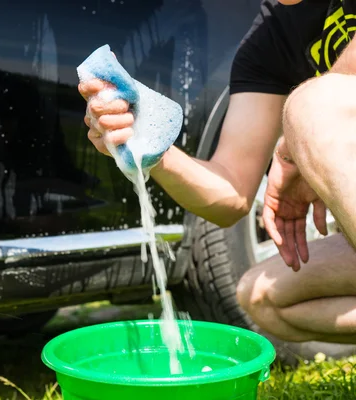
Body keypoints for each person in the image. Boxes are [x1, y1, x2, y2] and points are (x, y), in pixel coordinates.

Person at [79, 0, 356, 344]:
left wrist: (293, 148)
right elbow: (231, 190)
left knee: (312, 105)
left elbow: (321, 105)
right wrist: (149, 146)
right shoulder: (269, 38)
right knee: (264, 296)